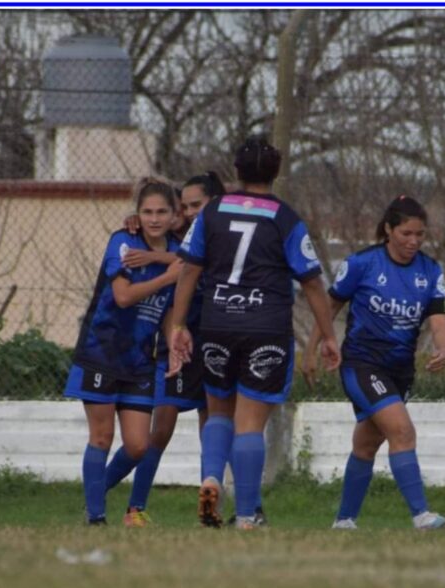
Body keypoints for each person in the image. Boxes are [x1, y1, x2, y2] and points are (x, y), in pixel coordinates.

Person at [169, 137, 340, 530]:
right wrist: (328, 336)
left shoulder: (211, 213)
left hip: (217, 324)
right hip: (265, 328)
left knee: (218, 413)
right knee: (250, 424)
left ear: (237, 171)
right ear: (276, 172)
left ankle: (211, 477)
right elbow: (312, 283)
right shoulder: (286, 218)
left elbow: (189, 271)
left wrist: (179, 325)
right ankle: (247, 515)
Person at [302, 195, 445, 530]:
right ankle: (422, 516)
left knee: (367, 443)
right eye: (406, 234)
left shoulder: (429, 270)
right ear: (388, 229)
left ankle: (344, 521)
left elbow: (439, 317)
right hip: (362, 364)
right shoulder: (362, 264)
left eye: (420, 235)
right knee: (402, 430)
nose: (413, 241)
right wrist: (312, 349)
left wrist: (443, 348)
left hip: (400, 370)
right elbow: (329, 306)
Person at [106, 172, 229, 527]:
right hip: (178, 341)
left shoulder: (221, 234)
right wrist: (144, 241)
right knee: (161, 429)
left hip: (216, 339)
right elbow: (174, 256)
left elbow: (181, 264)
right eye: (185, 207)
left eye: (196, 206)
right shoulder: (175, 236)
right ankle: (126, 504)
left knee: (214, 425)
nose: (189, 213)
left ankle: (210, 504)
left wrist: (152, 259)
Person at [64, 177, 182, 525]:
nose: (154, 218)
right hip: (102, 351)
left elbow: (169, 310)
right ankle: (96, 517)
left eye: (162, 211)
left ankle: (93, 495)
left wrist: (173, 342)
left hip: (140, 360)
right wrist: (168, 276)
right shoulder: (123, 241)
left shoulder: (178, 251)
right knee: (101, 436)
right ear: (138, 214)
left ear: (175, 216)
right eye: (147, 211)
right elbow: (123, 296)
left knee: (137, 446)